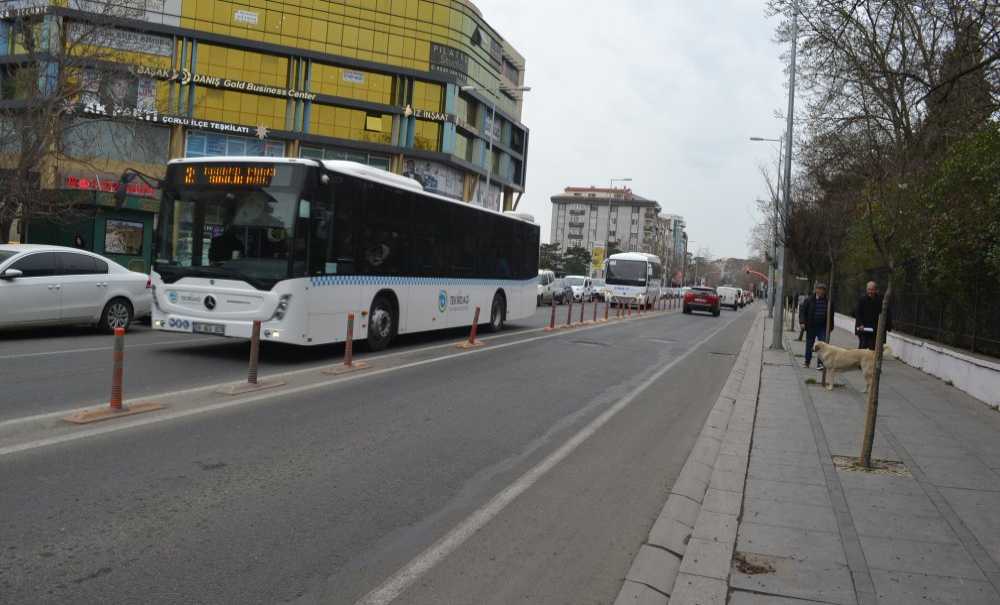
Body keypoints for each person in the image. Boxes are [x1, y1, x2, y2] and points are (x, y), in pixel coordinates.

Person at [799, 282, 831, 369]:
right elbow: (802, 311)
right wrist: (802, 322)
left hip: (823, 327)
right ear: (816, 290)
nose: (821, 291)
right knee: (809, 344)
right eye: (819, 289)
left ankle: (820, 363)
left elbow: (831, 315)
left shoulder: (828, 301)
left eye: (823, 290)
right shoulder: (809, 300)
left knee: (822, 345)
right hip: (811, 326)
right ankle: (807, 362)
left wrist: (830, 327)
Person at [854, 280, 892, 350]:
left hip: (876, 331)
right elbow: (858, 314)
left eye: (872, 290)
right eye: (869, 289)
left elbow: (887, 313)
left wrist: (887, 327)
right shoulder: (862, 300)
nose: (870, 292)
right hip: (864, 329)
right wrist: (860, 324)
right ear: (866, 289)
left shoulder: (881, 300)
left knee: (874, 351)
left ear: (876, 290)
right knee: (862, 350)